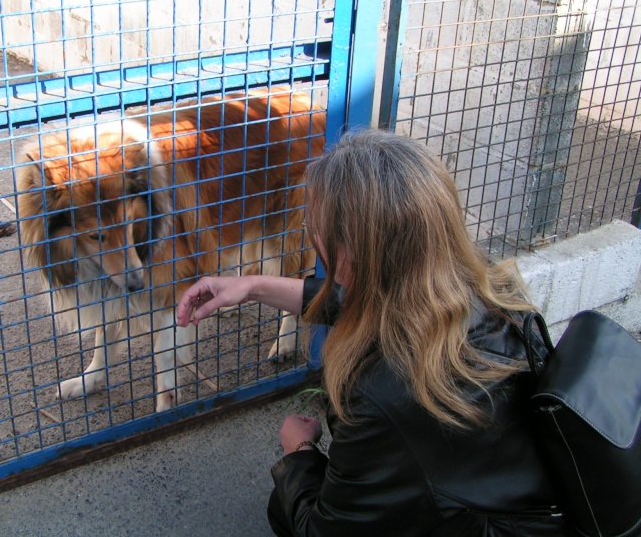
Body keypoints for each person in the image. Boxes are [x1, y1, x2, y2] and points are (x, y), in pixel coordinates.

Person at [175, 129, 575, 536]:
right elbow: (369, 304)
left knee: (283, 509)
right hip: (534, 509)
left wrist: (299, 453)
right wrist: (251, 287)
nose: (312, 236)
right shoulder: (488, 295)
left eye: (316, 226)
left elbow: (322, 531)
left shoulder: (381, 395)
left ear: (352, 251)